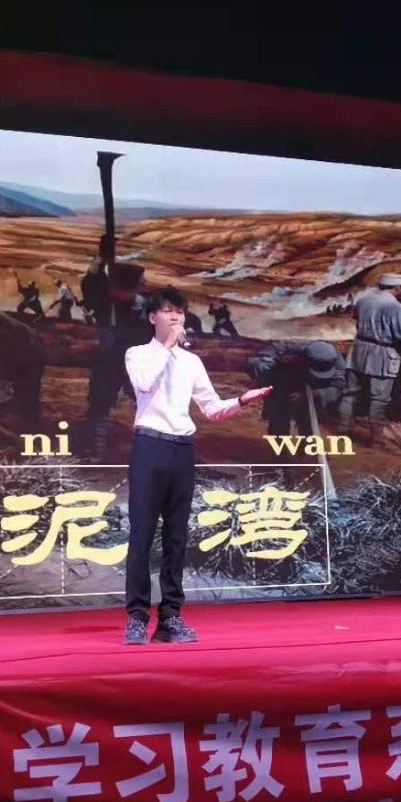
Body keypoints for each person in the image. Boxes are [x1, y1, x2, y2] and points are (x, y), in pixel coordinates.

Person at [122, 287, 270, 645]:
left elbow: (211, 408)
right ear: (152, 317)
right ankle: (137, 617)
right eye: (167, 311)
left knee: (177, 536)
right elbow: (143, 383)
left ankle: (171, 618)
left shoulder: (191, 362)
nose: (175, 316)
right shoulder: (138, 354)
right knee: (142, 535)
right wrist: (168, 346)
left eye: (180, 311)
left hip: (182, 448)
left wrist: (241, 401)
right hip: (150, 446)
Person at [337, 274, 401, 447]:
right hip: (382, 354)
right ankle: (376, 438)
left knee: (350, 392)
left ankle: (341, 428)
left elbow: (356, 318)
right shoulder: (395, 307)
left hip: (359, 350)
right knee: (379, 398)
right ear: (397, 288)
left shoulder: (364, 300)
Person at [84, 262, 152, 458]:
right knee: (99, 406)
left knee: (149, 407)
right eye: (140, 281)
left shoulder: (149, 306)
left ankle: (152, 450)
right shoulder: (106, 304)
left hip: (139, 365)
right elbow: (89, 287)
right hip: (109, 362)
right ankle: (96, 450)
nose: (144, 283)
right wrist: (98, 263)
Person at [249, 340, 345, 436]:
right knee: (278, 422)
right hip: (282, 386)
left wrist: (311, 394)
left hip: (312, 392)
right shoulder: (285, 347)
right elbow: (254, 362)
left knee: (309, 425)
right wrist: (276, 362)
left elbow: (339, 386)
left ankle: (308, 443)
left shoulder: (333, 357)